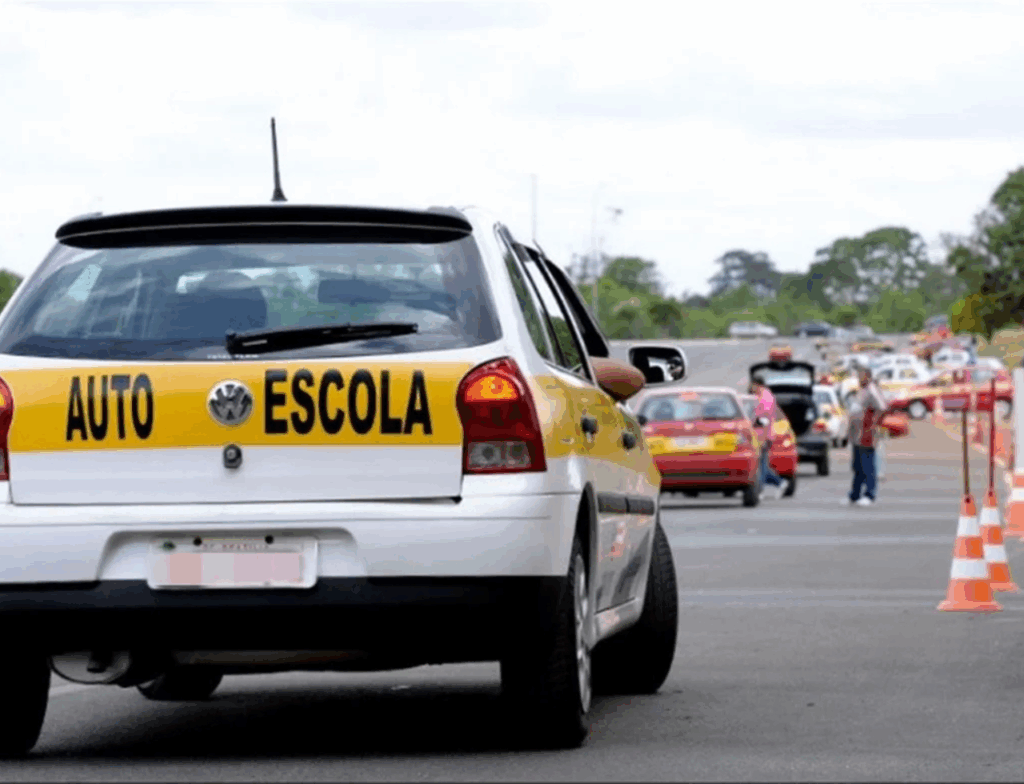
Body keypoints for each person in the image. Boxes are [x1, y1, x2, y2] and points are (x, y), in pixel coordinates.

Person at [843, 365, 888, 506]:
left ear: (867, 376)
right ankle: (855, 494)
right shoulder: (861, 391)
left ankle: (869, 494)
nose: (858, 378)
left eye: (860, 375)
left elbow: (882, 407)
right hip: (856, 435)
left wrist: (873, 424)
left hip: (866, 434)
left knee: (867, 465)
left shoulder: (872, 390)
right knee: (857, 466)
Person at [750, 379, 789, 499]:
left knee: (760, 465)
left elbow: (765, 420)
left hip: (763, 436)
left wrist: (762, 438)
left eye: (752, 385)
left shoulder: (765, 398)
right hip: (760, 435)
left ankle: (760, 490)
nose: (751, 388)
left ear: (757, 384)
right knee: (762, 465)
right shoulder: (762, 396)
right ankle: (780, 482)